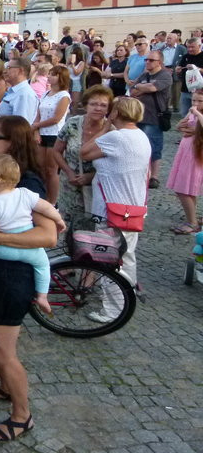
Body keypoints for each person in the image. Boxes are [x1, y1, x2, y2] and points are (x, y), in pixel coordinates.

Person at [0, 115, 58, 442]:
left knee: (2, 348)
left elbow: (48, 236)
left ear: (13, 143)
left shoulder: (27, 183)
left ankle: (22, 415)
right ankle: (6, 386)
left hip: (12, 275)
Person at [80, 97, 151, 323]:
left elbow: (85, 152)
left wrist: (105, 128)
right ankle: (127, 297)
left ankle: (113, 310)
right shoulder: (141, 135)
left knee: (109, 259)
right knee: (127, 256)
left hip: (111, 209)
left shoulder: (116, 137)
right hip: (132, 207)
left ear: (116, 113)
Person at [0, 154, 65, 315]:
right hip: (31, 251)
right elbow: (47, 207)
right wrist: (59, 221)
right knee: (43, 265)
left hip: (2, 250)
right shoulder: (25, 193)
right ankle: (42, 296)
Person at [53, 85, 113, 218]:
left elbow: (115, 164)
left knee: (93, 224)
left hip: (97, 188)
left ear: (108, 109)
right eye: (93, 104)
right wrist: (68, 172)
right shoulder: (72, 124)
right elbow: (56, 151)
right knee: (67, 222)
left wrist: (91, 176)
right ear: (85, 106)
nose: (98, 108)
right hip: (69, 185)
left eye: (103, 105)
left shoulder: (112, 131)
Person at [130, 49, 172, 188]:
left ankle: (154, 176)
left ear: (159, 62)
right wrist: (141, 87)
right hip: (139, 116)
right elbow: (132, 91)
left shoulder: (165, 75)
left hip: (155, 117)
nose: (147, 62)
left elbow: (152, 88)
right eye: (146, 59)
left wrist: (139, 86)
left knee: (154, 146)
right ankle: (142, 173)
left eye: (151, 60)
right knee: (138, 147)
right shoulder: (144, 75)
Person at [32, 65, 72, 204]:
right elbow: (38, 114)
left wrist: (36, 126)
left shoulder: (64, 96)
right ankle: (42, 196)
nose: (49, 76)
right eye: (49, 74)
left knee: (51, 169)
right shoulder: (45, 94)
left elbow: (56, 118)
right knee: (40, 168)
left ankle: (53, 201)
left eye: (53, 74)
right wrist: (36, 131)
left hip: (54, 134)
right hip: (41, 133)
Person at [166, 90, 203, 234]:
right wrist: (184, 126)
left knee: (183, 188)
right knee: (187, 188)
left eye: (200, 101)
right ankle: (192, 217)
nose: (195, 104)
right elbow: (180, 127)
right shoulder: (192, 113)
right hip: (186, 151)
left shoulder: (198, 114)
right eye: (193, 100)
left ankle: (192, 222)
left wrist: (196, 117)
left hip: (194, 154)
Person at [0, 57, 38, 123]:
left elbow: (21, 126)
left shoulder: (25, 95)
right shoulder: (14, 91)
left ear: (20, 71)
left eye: (9, 68)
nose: (5, 71)